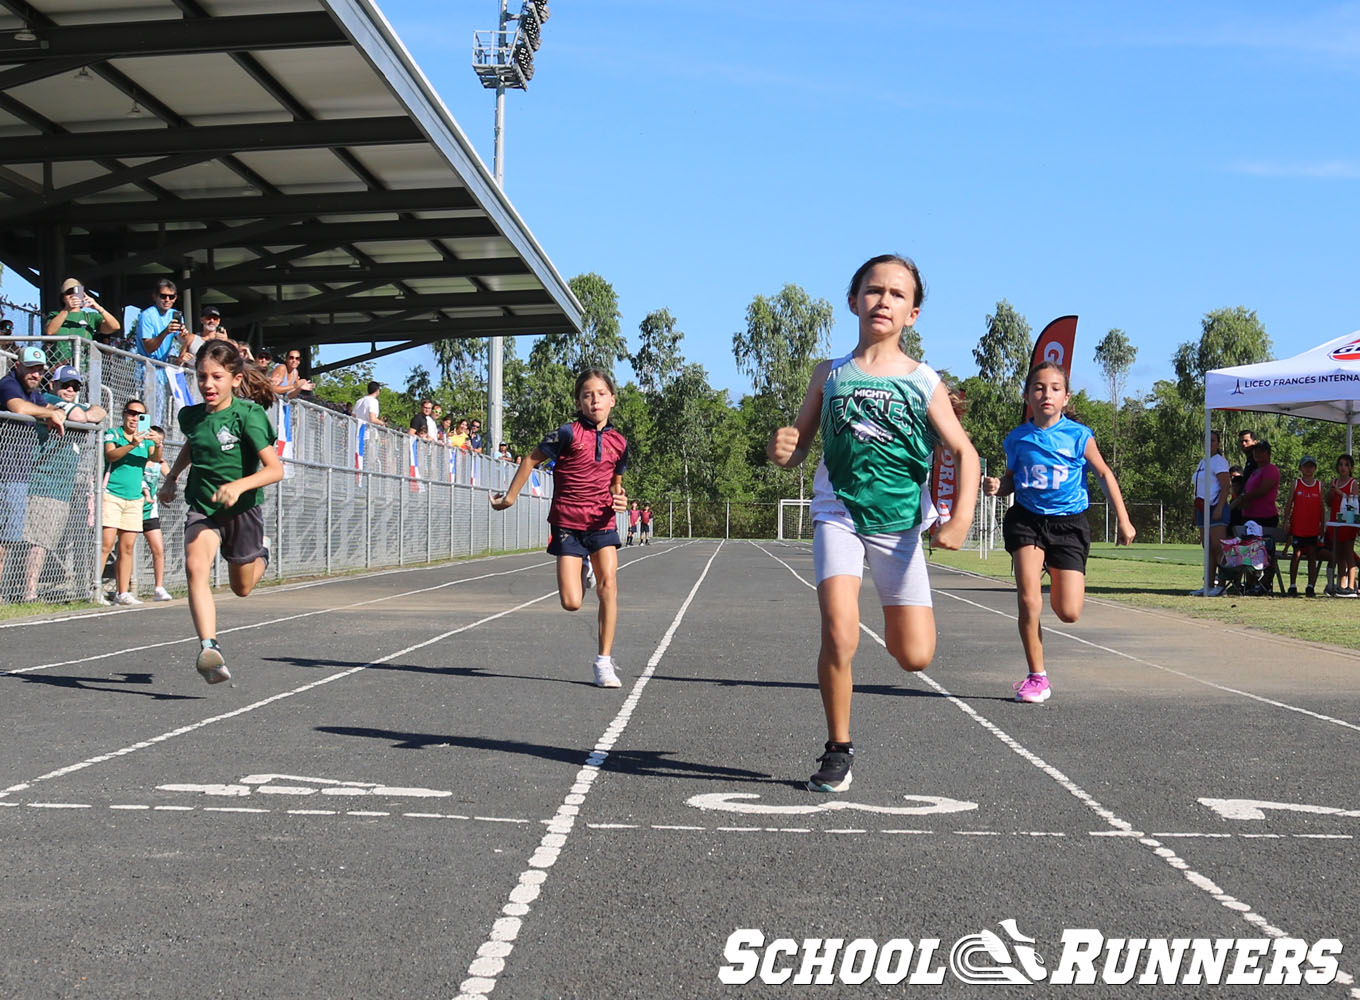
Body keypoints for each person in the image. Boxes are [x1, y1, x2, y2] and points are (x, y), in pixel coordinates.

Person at [768, 253, 979, 793]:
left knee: (914, 656)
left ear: (913, 313)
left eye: (897, 294)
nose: (883, 299)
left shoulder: (923, 380)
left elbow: (965, 452)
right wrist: (784, 448)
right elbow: (797, 448)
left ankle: (897, 614)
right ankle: (838, 749)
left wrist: (959, 521)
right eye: (873, 289)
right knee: (839, 633)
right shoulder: (829, 373)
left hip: (899, 526)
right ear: (854, 300)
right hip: (837, 510)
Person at [982, 359, 1134, 705]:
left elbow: (1105, 475)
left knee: (1068, 612)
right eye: (1038, 388)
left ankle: (1055, 566)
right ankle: (1037, 677)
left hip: (1069, 524)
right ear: (1027, 396)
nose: (1045, 394)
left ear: (1066, 397)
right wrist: (998, 486)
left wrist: (1123, 519)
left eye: (1054, 388)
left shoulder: (1080, 436)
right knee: (1028, 600)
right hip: (1027, 520)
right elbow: (1011, 481)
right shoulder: (1017, 438)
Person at [490, 367, 629, 688]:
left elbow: (616, 485)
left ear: (613, 400)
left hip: (601, 521)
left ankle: (604, 663)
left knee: (610, 586)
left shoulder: (621, 442)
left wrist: (619, 499)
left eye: (600, 394)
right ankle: (582, 565)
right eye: (587, 395)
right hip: (567, 522)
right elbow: (529, 460)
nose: (594, 400)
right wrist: (510, 498)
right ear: (579, 402)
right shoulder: (565, 434)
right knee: (572, 602)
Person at [158, 340, 281, 684]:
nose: (208, 385)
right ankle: (209, 648)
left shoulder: (248, 415)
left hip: (242, 510)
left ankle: (262, 551)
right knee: (195, 567)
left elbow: (275, 469)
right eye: (201, 377)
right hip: (203, 507)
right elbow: (193, 444)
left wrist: (239, 486)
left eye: (216, 377)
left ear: (235, 378)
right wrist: (171, 478)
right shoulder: (191, 416)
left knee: (241, 588)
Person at [19, 364, 105, 602]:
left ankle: (28, 590)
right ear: (52, 385)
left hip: (63, 488)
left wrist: (85, 414)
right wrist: (83, 416)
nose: (69, 390)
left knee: (43, 543)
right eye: (64, 385)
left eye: (75, 386)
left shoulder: (75, 403)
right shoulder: (45, 398)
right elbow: (79, 416)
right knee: (36, 542)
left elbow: (100, 411)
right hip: (43, 482)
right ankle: (29, 592)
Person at [0, 347, 66, 590]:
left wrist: (53, 412)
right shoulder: (9, 384)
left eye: (39, 370)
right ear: (18, 366)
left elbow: (42, 407)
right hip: (5, 473)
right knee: (3, 537)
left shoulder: (33, 392)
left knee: (7, 537)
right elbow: (18, 408)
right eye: (31, 368)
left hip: (18, 475)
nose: (35, 375)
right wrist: (51, 414)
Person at [100, 399, 162, 605]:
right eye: (131, 413)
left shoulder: (146, 439)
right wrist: (131, 444)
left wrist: (158, 443)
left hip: (134, 498)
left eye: (140, 415)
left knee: (127, 548)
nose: (135, 418)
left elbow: (155, 458)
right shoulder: (114, 433)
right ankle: (95, 588)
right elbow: (110, 455)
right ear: (124, 414)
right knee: (106, 544)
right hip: (113, 494)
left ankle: (122, 592)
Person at [43, 278, 120, 368]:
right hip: (58, 368)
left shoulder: (90, 317)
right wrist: (67, 309)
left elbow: (114, 327)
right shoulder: (55, 315)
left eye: (76, 293)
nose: (73, 296)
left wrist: (98, 307)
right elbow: (50, 331)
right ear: (63, 298)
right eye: (69, 293)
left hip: (83, 369)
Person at [1190, 430, 1231, 597]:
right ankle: (1208, 584)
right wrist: (1195, 511)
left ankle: (1222, 584)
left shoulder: (1219, 462)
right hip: (1201, 508)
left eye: (1213, 441)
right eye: (1207, 440)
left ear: (1218, 443)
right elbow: (1198, 487)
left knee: (1218, 547)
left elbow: (1225, 486)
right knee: (1207, 547)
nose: (1210, 444)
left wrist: (1220, 508)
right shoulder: (1202, 462)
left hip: (1215, 507)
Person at [1280, 456, 1324, 598]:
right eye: (1305, 466)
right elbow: (1289, 503)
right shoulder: (1296, 483)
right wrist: (1286, 520)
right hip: (1298, 527)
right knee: (1296, 555)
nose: (1308, 469)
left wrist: (1323, 525)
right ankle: (1292, 585)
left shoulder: (1319, 485)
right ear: (1300, 468)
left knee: (1312, 555)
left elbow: (1322, 507)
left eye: (1311, 466)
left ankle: (1310, 586)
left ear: (1315, 468)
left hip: (1312, 528)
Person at [140, 425, 174, 602]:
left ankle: (159, 588)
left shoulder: (159, 462)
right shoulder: (138, 459)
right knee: (124, 548)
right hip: (132, 507)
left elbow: (170, 476)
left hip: (149, 510)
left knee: (158, 549)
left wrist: (169, 489)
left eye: (159, 441)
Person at [1324, 454, 1358, 598]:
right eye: (1341, 464)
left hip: (1348, 522)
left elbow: (1354, 501)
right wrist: (1331, 493)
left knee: (1348, 552)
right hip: (1336, 521)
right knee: (1338, 555)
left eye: (1346, 465)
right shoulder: (1335, 481)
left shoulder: (1353, 483)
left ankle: (1351, 586)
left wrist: (1341, 492)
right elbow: (1329, 502)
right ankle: (1341, 585)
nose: (1343, 467)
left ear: (1350, 468)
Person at [133, 279, 185, 365]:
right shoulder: (147, 315)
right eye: (163, 296)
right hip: (146, 368)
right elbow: (149, 348)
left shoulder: (175, 314)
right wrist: (165, 332)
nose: (167, 300)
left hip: (162, 369)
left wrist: (184, 335)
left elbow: (182, 340)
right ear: (155, 296)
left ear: (175, 298)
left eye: (171, 297)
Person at [1232, 440, 1279, 530]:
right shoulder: (1255, 471)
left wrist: (1242, 498)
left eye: (1261, 451)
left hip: (1264, 516)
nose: (1258, 454)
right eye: (1255, 451)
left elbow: (1262, 491)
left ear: (1269, 454)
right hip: (1249, 515)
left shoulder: (1270, 469)